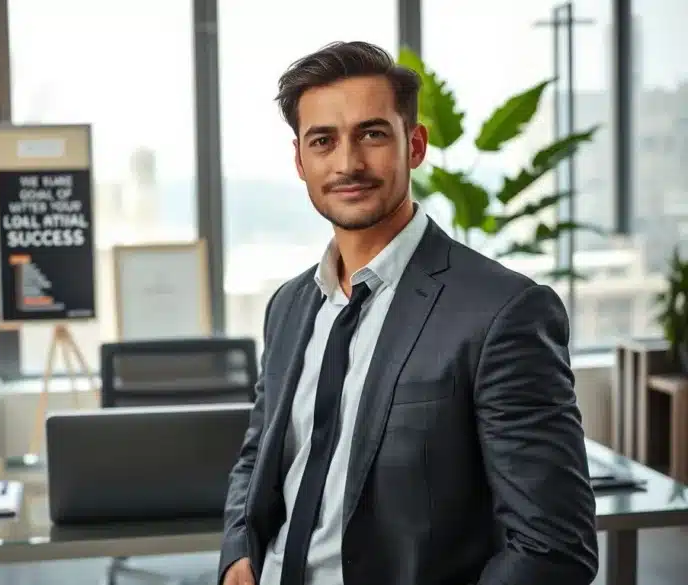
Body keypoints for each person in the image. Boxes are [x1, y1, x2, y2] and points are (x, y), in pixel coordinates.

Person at [218, 40, 598, 585]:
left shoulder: (502, 312)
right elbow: (260, 453)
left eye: (372, 134)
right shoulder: (289, 305)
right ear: (301, 161)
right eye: (323, 141)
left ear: (414, 145)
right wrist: (238, 554)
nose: (348, 163)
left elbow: (553, 546)